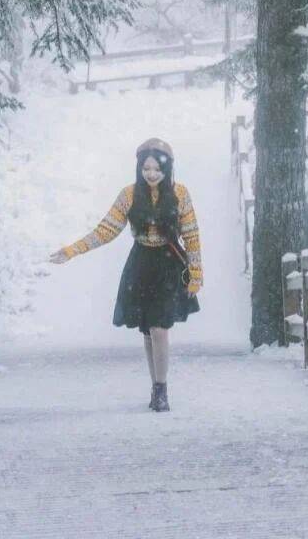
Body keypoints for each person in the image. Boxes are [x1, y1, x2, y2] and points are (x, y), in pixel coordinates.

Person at [49, 137, 202, 412]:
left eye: (157, 169)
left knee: (160, 329)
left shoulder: (180, 194)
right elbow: (106, 230)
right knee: (147, 330)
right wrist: (72, 250)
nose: (152, 174)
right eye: (147, 169)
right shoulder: (129, 195)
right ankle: (155, 386)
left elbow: (191, 236)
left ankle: (162, 389)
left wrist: (196, 273)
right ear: (139, 169)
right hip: (141, 264)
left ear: (167, 169)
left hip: (168, 265)